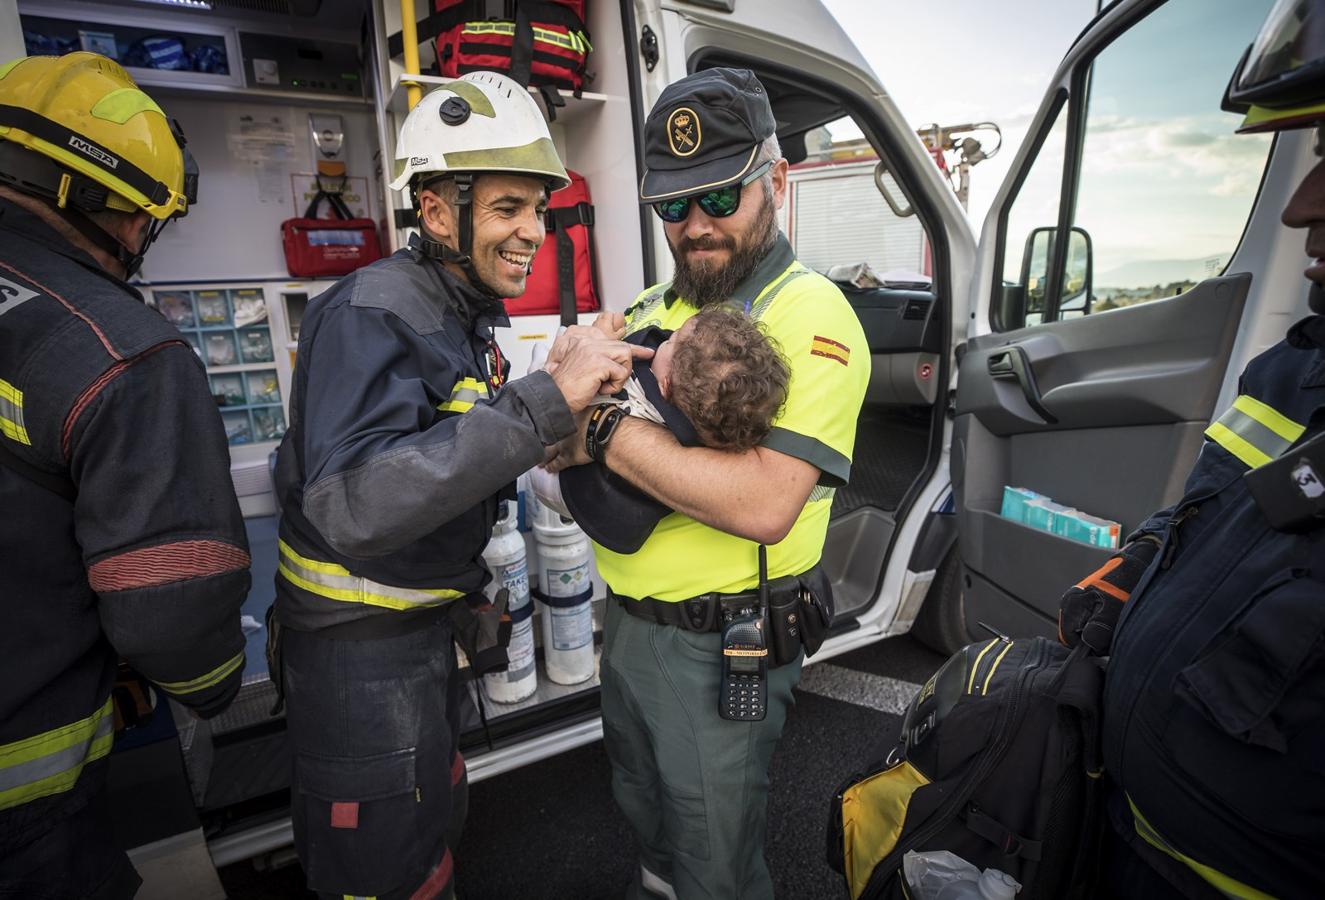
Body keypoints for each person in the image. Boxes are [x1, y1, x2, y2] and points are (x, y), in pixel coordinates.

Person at [270, 70, 644, 900]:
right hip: (357, 653)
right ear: (438, 212)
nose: (532, 234)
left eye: (538, 211)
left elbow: (451, 449)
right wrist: (540, 404)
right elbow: (354, 503)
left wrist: (553, 411)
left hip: (413, 628)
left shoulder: (458, 309)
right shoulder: (374, 312)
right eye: (508, 209)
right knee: (380, 868)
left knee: (428, 827)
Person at [549, 67, 871, 899]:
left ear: (775, 181)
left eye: (721, 198)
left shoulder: (811, 316)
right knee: (643, 812)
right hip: (626, 627)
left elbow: (762, 502)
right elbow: (554, 434)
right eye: (673, 207)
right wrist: (580, 423)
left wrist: (606, 428)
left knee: (713, 856)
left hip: (719, 644)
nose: (696, 227)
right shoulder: (656, 300)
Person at [1057, 5, 1325, 897]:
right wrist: (1138, 570)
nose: (1298, 207)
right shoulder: (1293, 374)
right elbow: (1211, 514)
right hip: (1129, 835)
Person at [0, 53, 250, 898]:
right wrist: (216, 688)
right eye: (147, 217)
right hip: (24, 804)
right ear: (110, 206)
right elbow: (177, 617)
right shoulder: (123, 351)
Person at [532, 306, 791, 553]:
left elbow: (575, 398)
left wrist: (599, 340)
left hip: (560, 485)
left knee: (551, 352)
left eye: (671, 341)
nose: (665, 338)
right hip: (606, 508)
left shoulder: (634, 401)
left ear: (665, 386)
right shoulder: (708, 424)